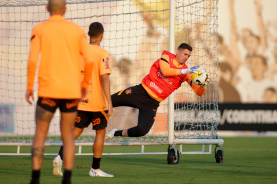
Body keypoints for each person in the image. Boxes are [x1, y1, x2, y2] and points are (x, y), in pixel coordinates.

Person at [25, 0, 93, 184]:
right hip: (70, 92)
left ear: (47, 8)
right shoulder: (76, 30)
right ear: (65, 10)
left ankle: (35, 179)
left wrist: (30, 86)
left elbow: (32, 60)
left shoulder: (40, 29)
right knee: (68, 136)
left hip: (48, 91)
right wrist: (85, 84)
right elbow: (89, 60)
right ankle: (67, 180)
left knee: (40, 134)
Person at [106, 43, 209, 139]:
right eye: (185, 54)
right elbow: (166, 71)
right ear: (178, 51)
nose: (186, 57)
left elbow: (199, 92)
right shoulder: (167, 56)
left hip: (152, 103)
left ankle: (115, 133)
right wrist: (185, 70)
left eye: (188, 56)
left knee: (142, 131)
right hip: (140, 92)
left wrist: (203, 83)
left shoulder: (186, 73)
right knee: (107, 103)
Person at [53, 22, 114, 177]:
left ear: (88, 34)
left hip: (80, 100)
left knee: (76, 130)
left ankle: (59, 157)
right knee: (100, 133)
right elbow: (105, 78)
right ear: (102, 35)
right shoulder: (103, 53)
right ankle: (95, 169)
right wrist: (110, 103)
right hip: (97, 103)